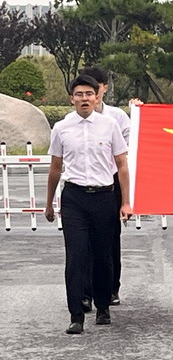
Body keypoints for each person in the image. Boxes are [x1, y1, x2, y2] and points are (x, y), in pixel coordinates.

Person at [45, 74, 132, 334]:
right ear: (71, 98)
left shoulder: (109, 125)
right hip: (74, 198)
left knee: (103, 255)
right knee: (76, 256)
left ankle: (103, 305)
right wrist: (49, 204)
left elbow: (122, 165)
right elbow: (55, 168)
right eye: (79, 94)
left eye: (89, 94)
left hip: (104, 197)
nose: (84, 99)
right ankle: (76, 314)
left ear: (97, 97)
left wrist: (125, 202)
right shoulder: (62, 128)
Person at [68, 66, 131, 308]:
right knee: (81, 245)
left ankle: (110, 289)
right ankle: (85, 293)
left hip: (110, 182)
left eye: (92, 88)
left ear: (102, 88)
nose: (86, 96)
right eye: (81, 92)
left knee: (109, 241)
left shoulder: (116, 117)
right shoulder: (69, 122)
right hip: (81, 186)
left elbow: (129, 148)